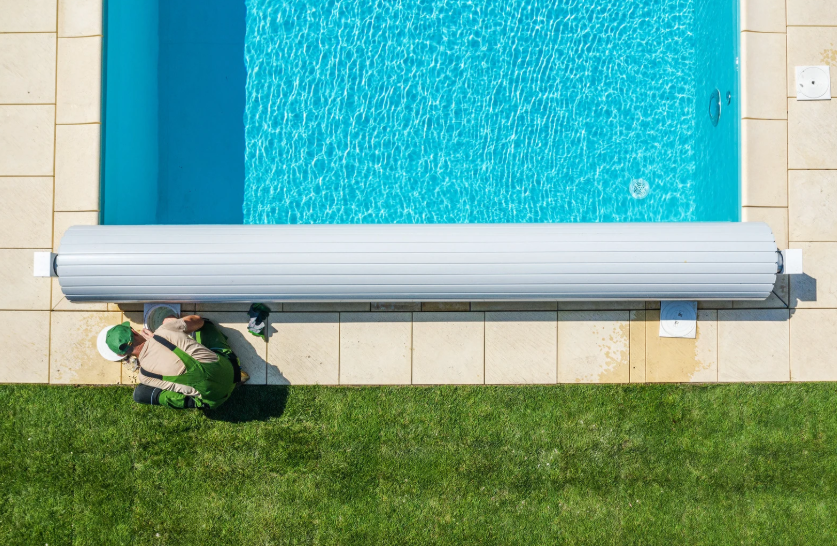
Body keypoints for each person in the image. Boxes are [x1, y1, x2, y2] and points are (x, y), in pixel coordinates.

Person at [97, 314, 249, 409]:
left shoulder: (145, 376)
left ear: (122, 355)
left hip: (215, 399)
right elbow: (198, 321)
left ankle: (196, 401)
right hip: (231, 369)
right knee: (206, 324)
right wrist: (168, 325)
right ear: (134, 332)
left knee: (141, 393)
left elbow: (162, 363)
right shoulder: (164, 330)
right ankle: (239, 375)